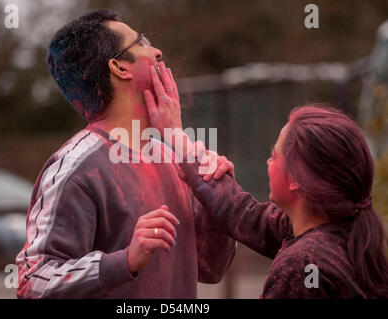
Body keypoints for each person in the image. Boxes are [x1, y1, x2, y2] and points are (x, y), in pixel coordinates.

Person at [15, 9, 236, 299]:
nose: (157, 51)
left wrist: (216, 200)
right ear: (119, 68)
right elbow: (32, 283)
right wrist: (125, 261)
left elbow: (211, 269)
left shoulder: (171, 155)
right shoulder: (75, 168)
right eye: (142, 42)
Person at [143, 68, 388, 298]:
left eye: (275, 155)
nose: (268, 160)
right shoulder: (342, 231)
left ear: (296, 178)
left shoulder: (301, 266)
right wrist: (189, 155)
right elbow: (247, 215)